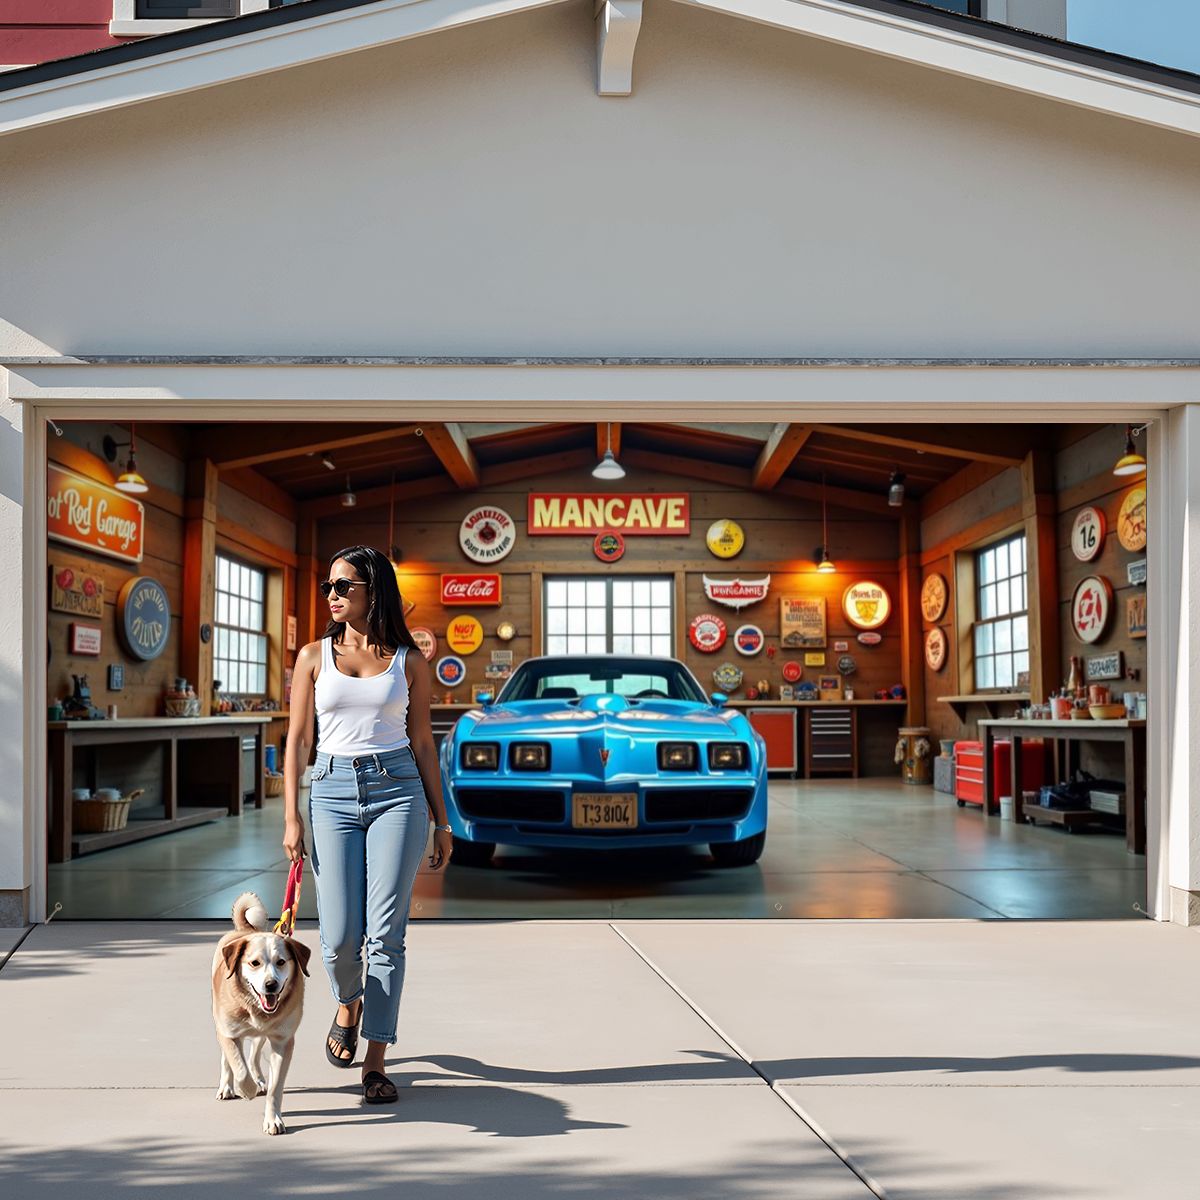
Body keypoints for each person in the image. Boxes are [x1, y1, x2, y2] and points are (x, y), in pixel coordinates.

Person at [283, 544, 453, 1104]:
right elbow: (299, 741)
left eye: (342, 586)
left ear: (372, 591)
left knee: (386, 934)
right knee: (336, 939)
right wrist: (290, 815)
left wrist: (442, 818)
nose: (331, 596)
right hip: (330, 792)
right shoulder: (312, 656)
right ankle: (348, 1001)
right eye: (328, 586)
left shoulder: (409, 661)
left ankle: (376, 1058)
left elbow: (425, 741)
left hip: (397, 791)